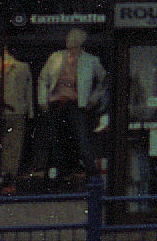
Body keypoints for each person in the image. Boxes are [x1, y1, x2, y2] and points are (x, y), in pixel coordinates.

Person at [34, 28, 107, 181]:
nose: (69, 42)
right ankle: (60, 170)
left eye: (73, 39)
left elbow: (104, 81)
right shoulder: (56, 57)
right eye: (69, 38)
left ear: (80, 41)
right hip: (56, 102)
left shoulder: (90, 60)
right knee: (55, 137)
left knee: (81, 138)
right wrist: (42, 99)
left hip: (76, 104)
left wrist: (93, 99)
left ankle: (91, 172)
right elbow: (43, 79)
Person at [0, 44, 32, 188]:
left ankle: (9, 175)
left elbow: (28, 91)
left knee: (13, 144)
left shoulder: (22, 68)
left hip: (15, 110)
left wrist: (29, 110)